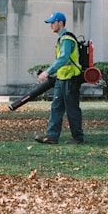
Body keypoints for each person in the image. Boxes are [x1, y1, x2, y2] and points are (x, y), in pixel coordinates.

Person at [34, 12, 85, 145]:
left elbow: (63, 58)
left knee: (72, 108)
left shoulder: (67, 39)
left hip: (70, 78)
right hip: (62, 78)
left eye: (53, 22)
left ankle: (78, 137)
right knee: (56, 107)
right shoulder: (62, 39)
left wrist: (47, 72)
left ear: (60, 23)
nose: (51, 25)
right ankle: (52, 136)